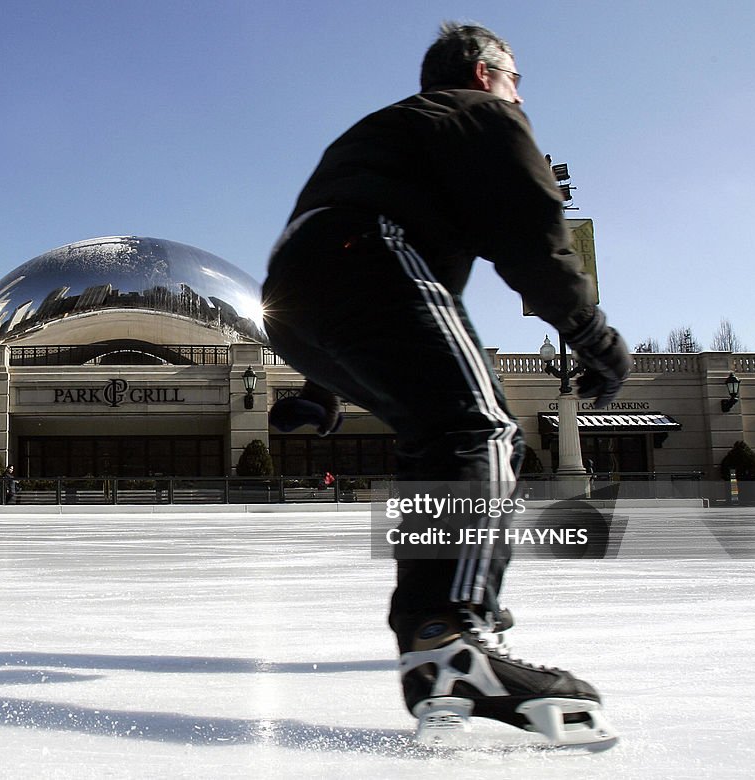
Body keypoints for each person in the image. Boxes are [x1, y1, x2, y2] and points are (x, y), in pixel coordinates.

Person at [261, 22, 629, 749]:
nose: (522, 93)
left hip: (293, 296)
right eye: (518, 77)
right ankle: (450, 632)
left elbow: (323, 257)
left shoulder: (385, 129)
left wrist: (322, 386)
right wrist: (593, 334)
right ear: (485, 70)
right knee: (481, 430)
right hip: (373, 256)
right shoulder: (483, 113)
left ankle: (441, 616)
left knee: (439, 436)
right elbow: (533, 235)